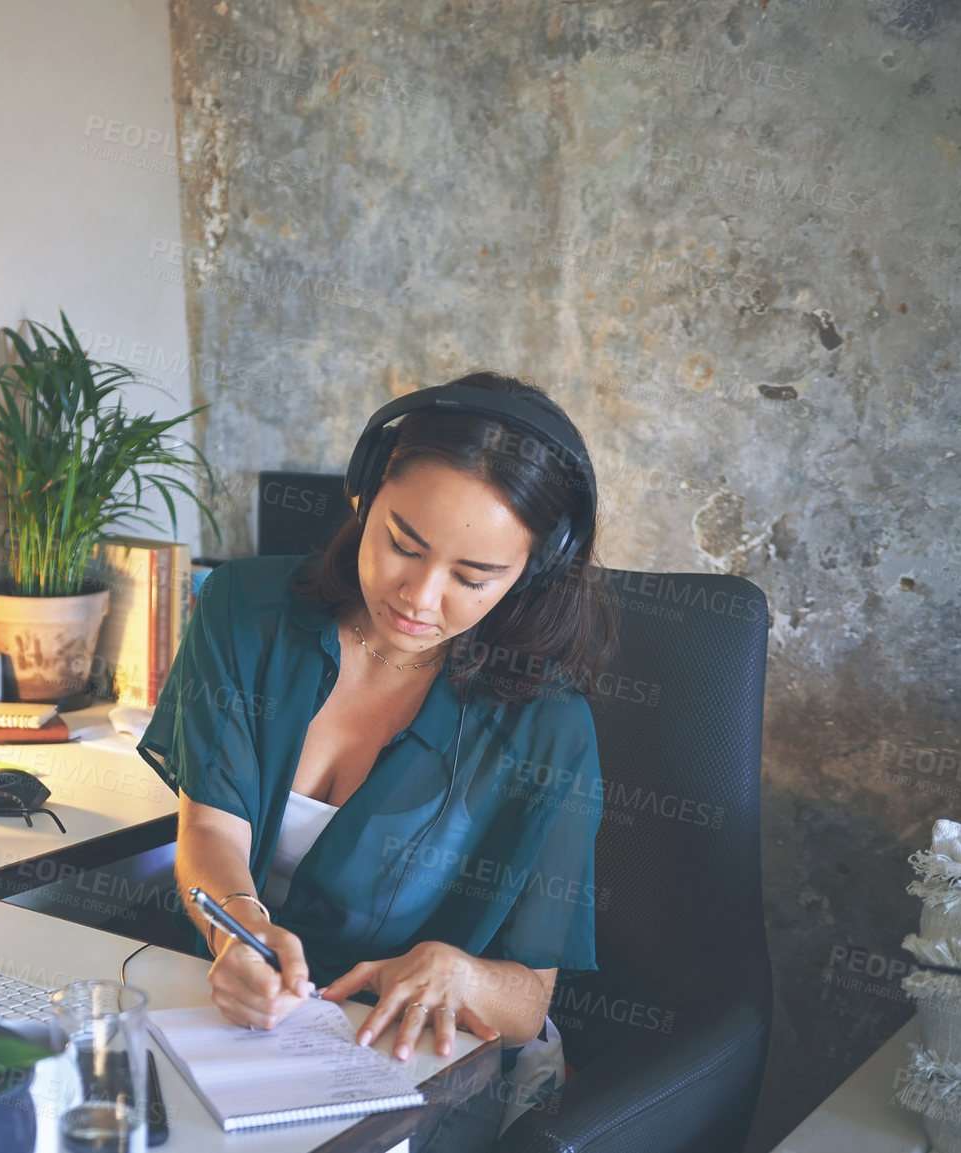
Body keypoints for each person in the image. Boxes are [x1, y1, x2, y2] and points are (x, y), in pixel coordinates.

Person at [137, 372, 618, 1083]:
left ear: (531, 572)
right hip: (224, 1013)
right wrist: (235, 931)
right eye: (403, 543)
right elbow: (211, 829)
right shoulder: (242, 612)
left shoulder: (547, 728)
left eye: (473, 576)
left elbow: (527, 999)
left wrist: (463, 975)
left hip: (408, 1058)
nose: (420, 598)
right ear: (364, 493)